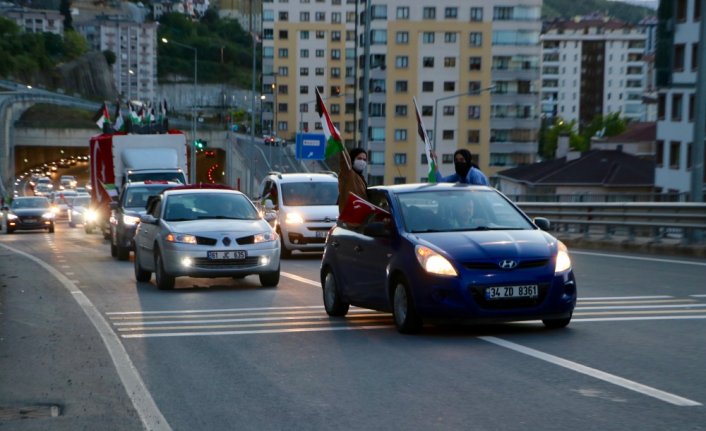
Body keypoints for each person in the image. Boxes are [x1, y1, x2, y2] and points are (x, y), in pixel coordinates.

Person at [337, 147, 368, 213]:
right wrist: (341, 145)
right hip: (349, 217)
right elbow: (345, 160)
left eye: (364, 160)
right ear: (352, 159)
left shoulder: (361, 178)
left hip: (359, 217)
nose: (362, 161)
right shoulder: (348, 173)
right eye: (359, 158)